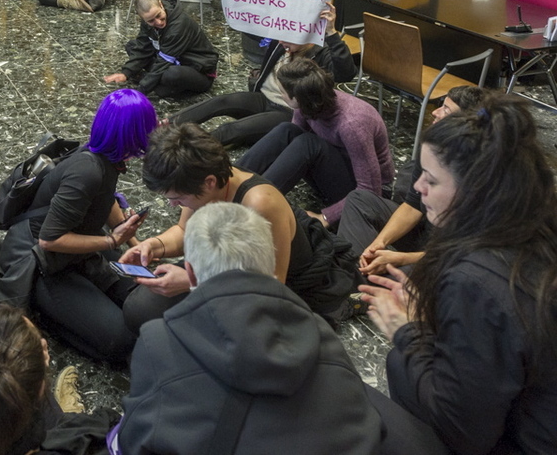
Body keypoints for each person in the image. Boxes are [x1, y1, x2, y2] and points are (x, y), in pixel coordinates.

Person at [360, 93, 557, 455]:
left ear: (475, 191)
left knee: (355, 402)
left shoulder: (476, 281)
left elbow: (463, 433)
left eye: (431, 181)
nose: (418, 188)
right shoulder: (536, 223)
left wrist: (409, 332)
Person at [113, 202, 392, 455]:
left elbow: (131, 442)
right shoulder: (320, 332)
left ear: (191, 273)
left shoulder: (158, 340)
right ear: (270, 263)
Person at [121, 122, 357, 331]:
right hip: (229, 267)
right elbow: (184, 231)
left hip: (282, 282)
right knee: (140, 310)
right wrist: (154, 245)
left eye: (178, 198)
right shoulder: (196, 180)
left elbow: (272, 283)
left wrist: (192, 282)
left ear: (209, 183)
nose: (173, 205)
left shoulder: (261, 203)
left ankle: (344, 305)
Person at [0, 89, 157, 362]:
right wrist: (112, 241)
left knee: (143, 295)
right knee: (120, 340)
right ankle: (43, 309)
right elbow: (49, 240)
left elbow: (106, 201)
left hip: (77, 246)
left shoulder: (105, 156)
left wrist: (135, 244)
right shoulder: (88, 171)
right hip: (38, 261)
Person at [0, 305, 118, 455]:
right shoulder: (48, 437)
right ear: (41, 387)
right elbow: (109, 422)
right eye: (40, 346)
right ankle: (69, 412)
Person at [338, 86, 486, 274]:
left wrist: (401, 259)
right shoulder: (433, 144)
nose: (435, 112)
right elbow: (412, 205)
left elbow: (465, 253)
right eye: (442, 105)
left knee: (416, 275)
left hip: (451, 258)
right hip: (426, 233)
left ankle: (360, 282)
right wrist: (378, 244)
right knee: (359, 200)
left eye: (446, 110)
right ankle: (357, 276)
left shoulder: (480, 175)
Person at [167, 2, 354, 147]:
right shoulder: (281, 42)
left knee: (230, 129)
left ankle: (190, 153)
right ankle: (165, 126)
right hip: (263, 98)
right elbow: (250, 26)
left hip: (288, 112)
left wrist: (331, 33)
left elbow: (345, 73)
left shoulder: (321, 53)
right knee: (220, 102)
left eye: (286, 37)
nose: (280, 41)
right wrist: (231, 0)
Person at [236, 57, 394, 227]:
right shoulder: (310, 101)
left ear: (297, 98)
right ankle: (232, 179)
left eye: (282, 92)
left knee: (309, 143)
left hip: (368, 195)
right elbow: (292, 141)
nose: (280, 95)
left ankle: (252, 205)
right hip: (338, 170)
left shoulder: (352, 124)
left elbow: (370, 190)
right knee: (287, 130)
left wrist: (325, 218)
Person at [104, 0, 218, 99]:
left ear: (161, 5)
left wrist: (140, 92)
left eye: (159, 15)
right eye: (151, 21)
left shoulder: (179, 25)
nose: (158, 22)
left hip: (198, 70)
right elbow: (142, 46)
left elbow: (164, 61)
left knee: (171, 75)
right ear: (143, 19)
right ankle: (157, 82)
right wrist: (126, 73)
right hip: (171, 58)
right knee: (132, 46)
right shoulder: (147, 22)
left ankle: (157, 83)